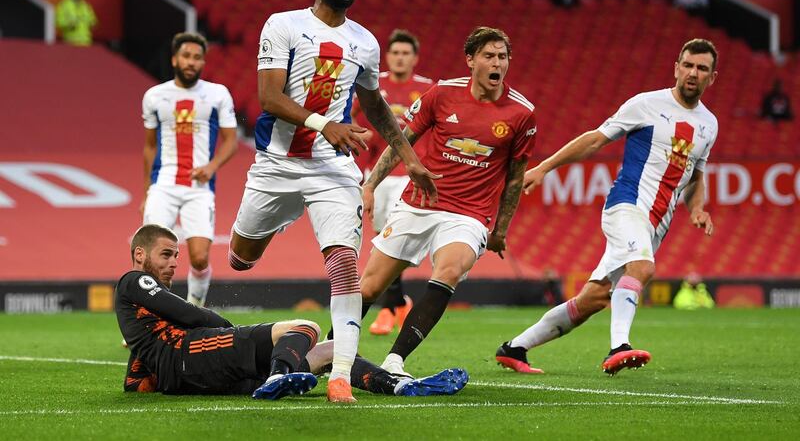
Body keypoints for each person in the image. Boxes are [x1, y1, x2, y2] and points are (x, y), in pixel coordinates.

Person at [227, 0, 439, 403]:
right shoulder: (282, 24)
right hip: (276, 166)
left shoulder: (364, 41)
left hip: (333, 168)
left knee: (343, 262)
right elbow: (268, 97)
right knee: (240, 258)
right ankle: (278, 220)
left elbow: (377, 106)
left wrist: (409, 157)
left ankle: (340, 374)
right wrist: (327, 124)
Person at [496, 38, 718, 376]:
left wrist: (698, 208)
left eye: (702, 68)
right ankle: (619, 347)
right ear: (676, 67)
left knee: (593, 299)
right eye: (687, 65)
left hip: (655, 224)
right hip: (626, 206)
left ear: (711, 77)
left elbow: (696, 174)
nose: (693, 73)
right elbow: (596, 139)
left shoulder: (709, 124)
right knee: (642, 268)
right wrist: (544, 167)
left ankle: (514, 348)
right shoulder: (645, 104)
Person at [359, 26, 537, 377]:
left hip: (469, 215)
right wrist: (370, 185)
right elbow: (401, 141)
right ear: (471, 60)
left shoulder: (522, 114)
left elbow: (516, 177)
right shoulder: (441, 93)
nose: (496, 62)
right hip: (418, 203)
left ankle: (395, 361)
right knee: (369, 287)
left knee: (449, 270)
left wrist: (500, 229)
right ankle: (331, 351)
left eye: (502, 56)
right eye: (488, 55)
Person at [117, 224, 468, 399]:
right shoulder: (133, 281)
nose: (174, 263)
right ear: (139, 255)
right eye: (166, 255)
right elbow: (192, 315)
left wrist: (141, 379)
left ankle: (397, 385)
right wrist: (224, 328)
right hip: (194, 355)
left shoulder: (141, 310)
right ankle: (276, 377)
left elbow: (139, 372)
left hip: (201, 370)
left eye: (176, 255)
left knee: (333, 351)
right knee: (304, 327)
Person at [141, 32, 238, 308]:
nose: (191, 62)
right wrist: (145, 192)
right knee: (152, 255)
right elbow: (149, 148)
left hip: (199, 188)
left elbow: (231, 142)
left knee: (199, 258)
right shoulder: (155, 96)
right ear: (174, 59)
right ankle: (149, 318)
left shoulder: (217, 94)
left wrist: (212, 166)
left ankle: (193, 310)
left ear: (203, 62)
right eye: (186, 56)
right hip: (163, 185)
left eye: (197, 58)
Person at [353, 29, 434, 336]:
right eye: (395, 52)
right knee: (382, 239)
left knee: (393, 239)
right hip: (378, 174)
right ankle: (397, 302)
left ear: (414, 58)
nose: (400, 57)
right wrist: (359, 135)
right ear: (388, 56)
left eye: (406, 53)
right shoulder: (374, 85)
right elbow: (350, 116)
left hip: (409, 175)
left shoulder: (427, 89)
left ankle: (389, 308)